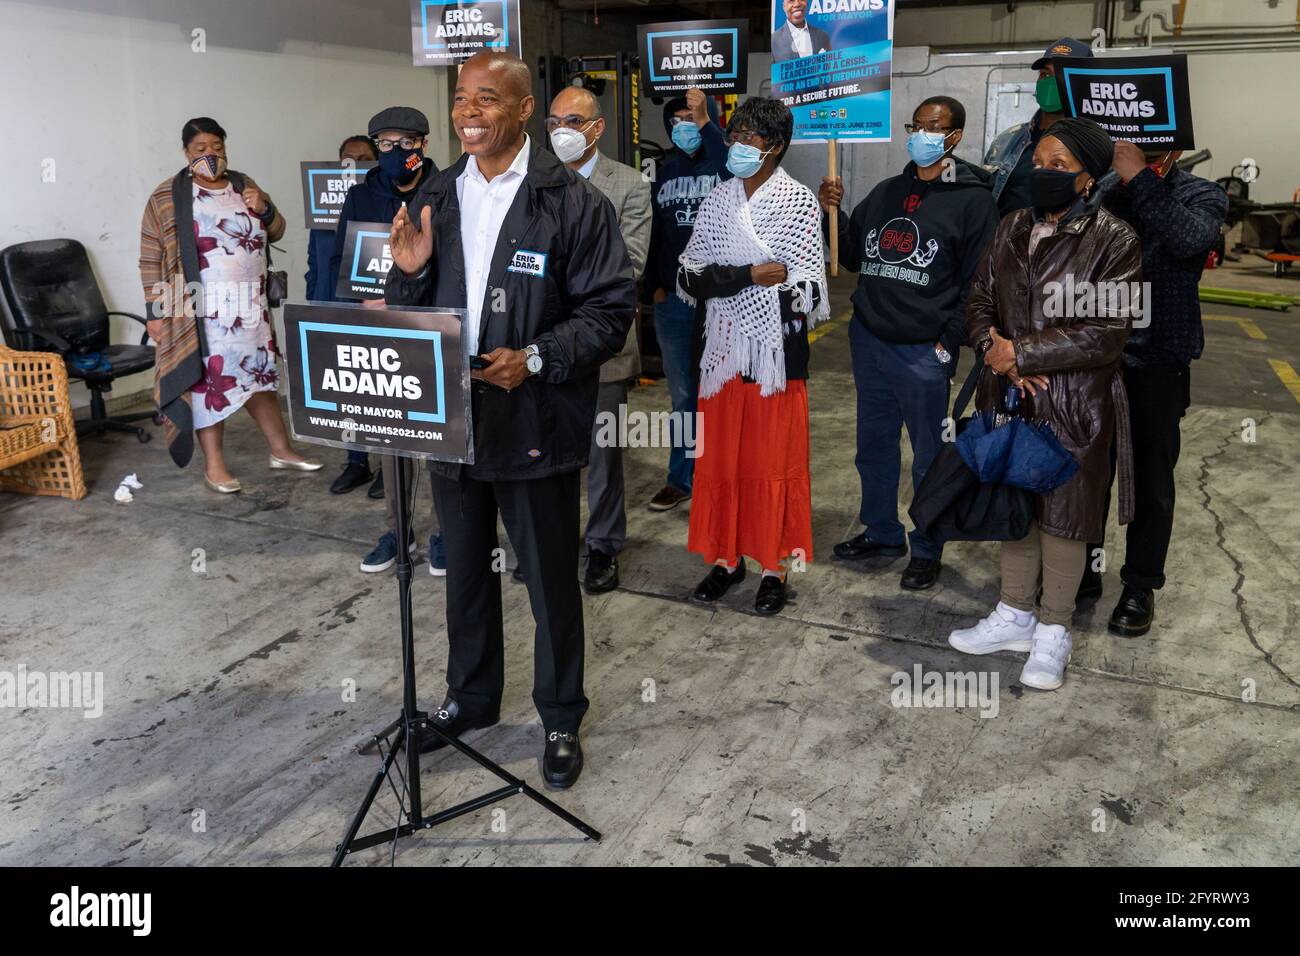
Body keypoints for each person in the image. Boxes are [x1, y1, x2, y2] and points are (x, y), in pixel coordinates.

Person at [382, 51, 636, 788]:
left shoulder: (574, 204)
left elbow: (610, 312)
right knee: (464, 571)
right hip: (453, 423)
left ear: (524, 110)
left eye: (486, 99)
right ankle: (471, 700)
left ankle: (560, 716)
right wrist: (407, 268)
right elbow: (413, 307)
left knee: (550, 580)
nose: (468, 112)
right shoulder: (437, 194)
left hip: (537, 419)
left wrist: (535, 356)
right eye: (461, 98)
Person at [949, 117, 1141, 691]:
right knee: (1017, 506)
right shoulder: (1011, 226)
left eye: (1060, 166)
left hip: (1074, 400)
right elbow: (979, 296)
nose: (1044, 173)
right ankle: (1013, 614)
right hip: (1010, 391)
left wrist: (1023, 354)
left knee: (1065, 515)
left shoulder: (1116, 240)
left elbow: (1107, 330)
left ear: (1089, 178)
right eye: (1040, 162)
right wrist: (992, 348)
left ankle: (1054, 630)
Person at [821, 96, 998, 591]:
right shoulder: (885, 192)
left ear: (954, 137)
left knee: (928, 457)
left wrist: (948, 342)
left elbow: (979, 282)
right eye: (915, 126)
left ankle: (926, 546)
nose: (921, 135)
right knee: (873, 447)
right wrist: (829, 211)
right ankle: (881, 532)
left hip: (924, 349)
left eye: (933, 127)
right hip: (871, 339)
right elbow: (853, 255)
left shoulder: (973, 200)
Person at [677, 96, 827, 617]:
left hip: (774, 360)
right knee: (720, 462)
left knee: (771, 464)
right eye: (734, 135)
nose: (738, 146)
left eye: (750, 139)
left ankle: (773, 565)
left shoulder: (799, 203)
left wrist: (741, 285)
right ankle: (725, 558)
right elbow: (690, 276)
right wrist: (746, 276)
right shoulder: (717, 201)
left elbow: (806, 289)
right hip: (719, 355)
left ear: (776, 147)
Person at [1077, 141, 1228, 635]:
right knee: (1089, 473)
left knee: (1149, 481)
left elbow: (1188, 241)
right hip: (1099, 355)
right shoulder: (1102, 192)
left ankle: (1140, 586)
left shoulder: (1200, 195)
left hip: (1160, 358)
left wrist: (1141, 178)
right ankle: (1086, 571)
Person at [140, 116, 321, 490]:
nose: (210, 155)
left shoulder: (243, 184)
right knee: (211, 381)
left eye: (217, 148)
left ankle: (280, 449)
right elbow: (150, 256)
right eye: (200, 149)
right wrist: (155, 312)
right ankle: (215, 465)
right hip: (200, 312)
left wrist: (265, 207)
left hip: (250, 308)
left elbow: (278, 230)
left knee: (259, 377)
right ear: (186, 152)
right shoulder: (166, 197)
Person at [545, 86, 652, 594]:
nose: (561, 131)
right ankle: (551, 543)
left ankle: (604, 546)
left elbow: (628, 265)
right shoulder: (533, 181)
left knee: (603, 454)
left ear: (597, 127)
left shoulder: (628, 185)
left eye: (572, 120)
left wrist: (547, 284)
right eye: (552, 122)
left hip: (603, 344)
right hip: (541, 344)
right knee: (545, 451)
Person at [332, 109, 446, 573]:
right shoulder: (361, 195)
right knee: (389, 435)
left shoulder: (448, 190)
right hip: (380, 329)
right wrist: (365, 302)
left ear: (421, 144)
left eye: (404, 143)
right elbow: (347, 257)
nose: (395, 153)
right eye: (385, 144)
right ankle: (399, 533)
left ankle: (445, 534)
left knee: (439, 437)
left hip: (434, 326)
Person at [646, 88, 730, 513]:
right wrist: (653, 286)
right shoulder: (664, 172)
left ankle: (720, 474)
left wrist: (706, 123)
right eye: (677, 118)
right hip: (675, 300)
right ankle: (681, 477)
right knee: (683, 393)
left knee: (725, 390)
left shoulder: (726, 162)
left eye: (692, 116)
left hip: (724, 299)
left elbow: (733, 173)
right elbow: (654, 232)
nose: (685, 124)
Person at [305, 134, 385, 497]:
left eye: (364, 158)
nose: (354, 164)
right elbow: (314, 265)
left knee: (380, 388)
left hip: (374, 310)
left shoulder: (380, 204)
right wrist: (314, 304)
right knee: (347, 390)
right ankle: (357, 462)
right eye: (348, 158)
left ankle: (390, 466)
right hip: (334, 310)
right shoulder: (321, 211)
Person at [984, 37, 1093, 216]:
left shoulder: (1097, 147)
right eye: (1045, 74)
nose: (1050, 82)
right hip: (1004, 240)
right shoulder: (1007, 140)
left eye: (1060, 75)